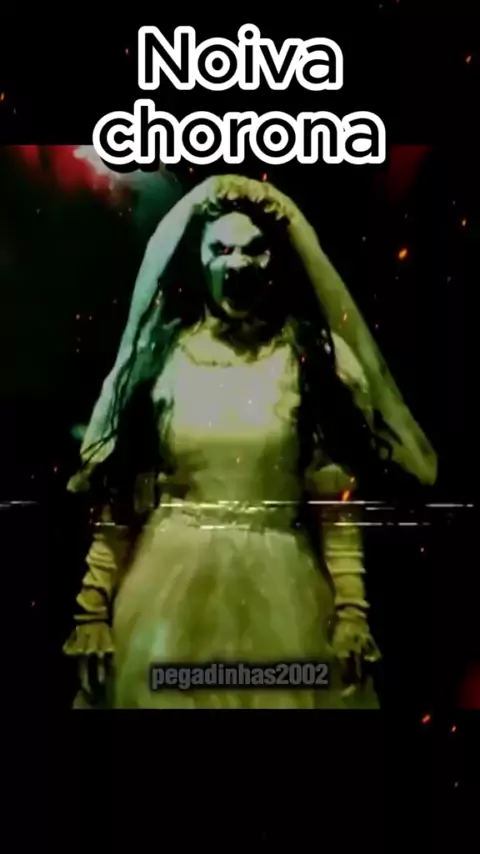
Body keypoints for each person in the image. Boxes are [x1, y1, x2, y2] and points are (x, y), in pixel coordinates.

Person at [63, 174, 437, 708]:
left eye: (253, 249)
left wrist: (352, 611)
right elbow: (123, 500)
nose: (237, 264)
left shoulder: (309, 365)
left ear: (274, 260)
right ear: (199, 259)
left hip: (283, 594)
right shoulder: (164, 362)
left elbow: (334, 504)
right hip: (165, 593)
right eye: (220, 249)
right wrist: (92, 610)